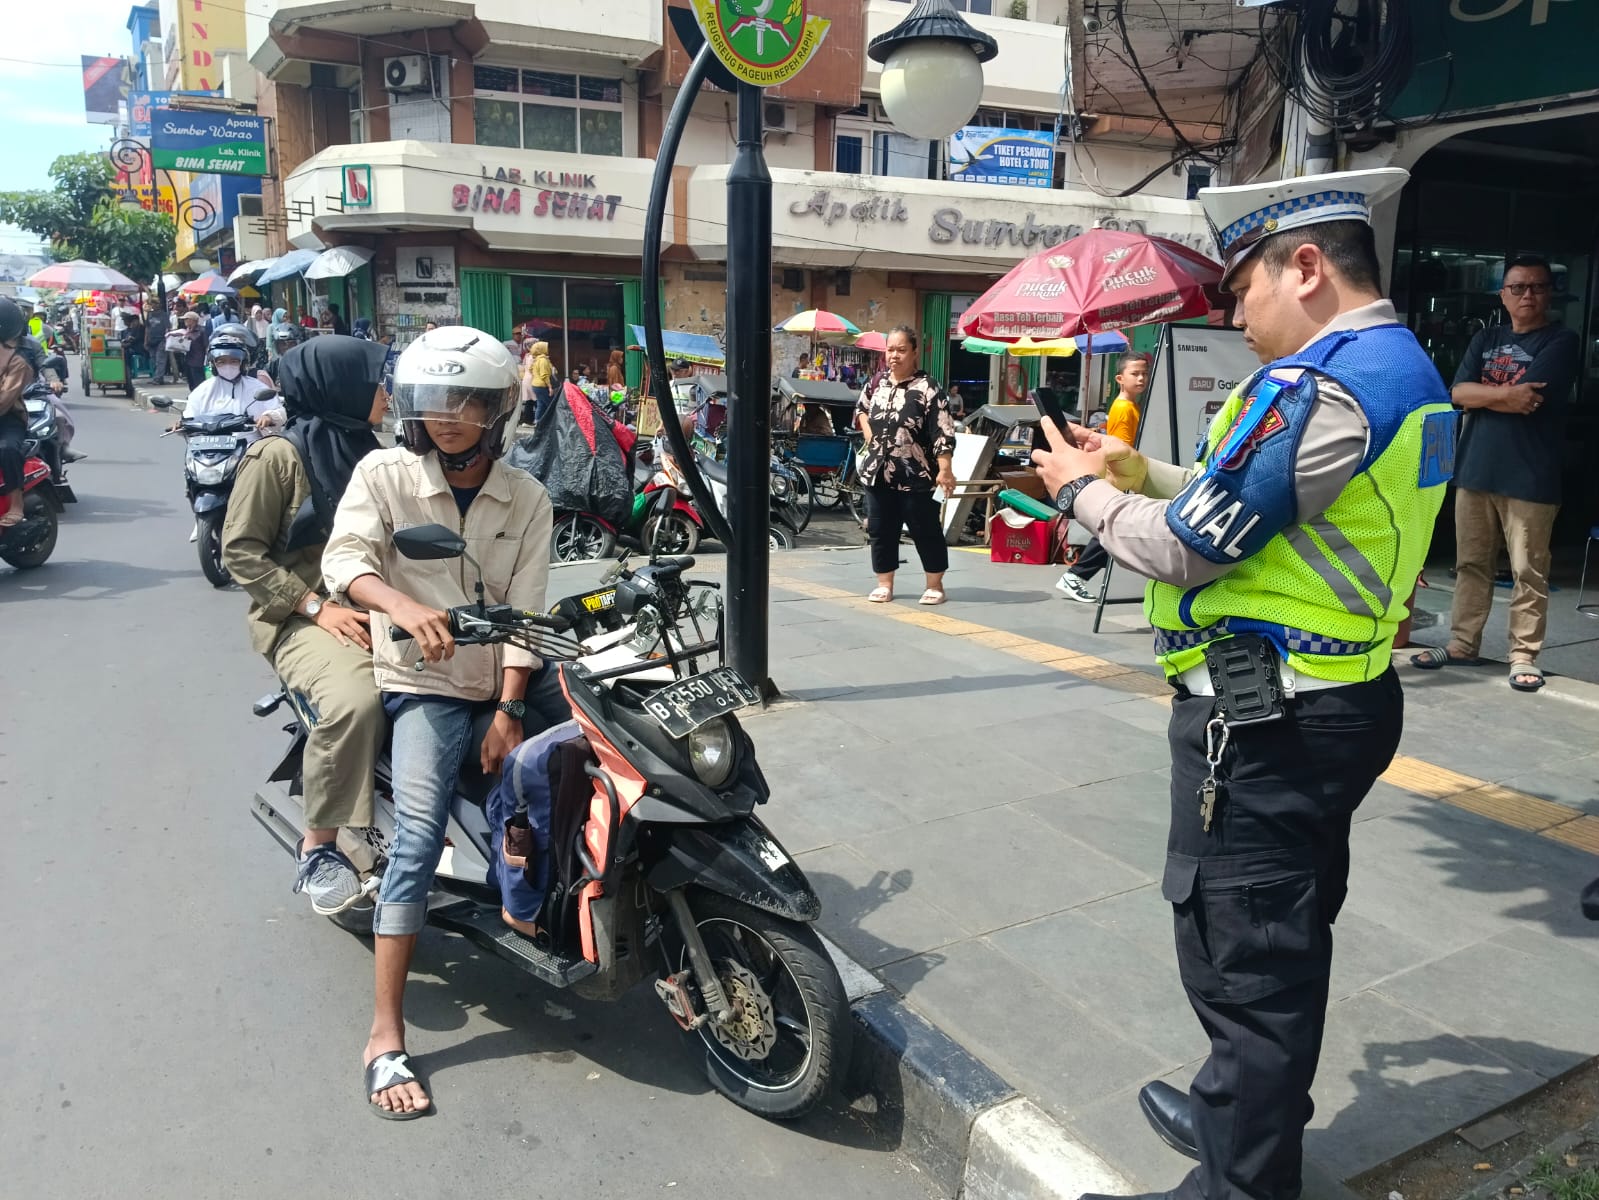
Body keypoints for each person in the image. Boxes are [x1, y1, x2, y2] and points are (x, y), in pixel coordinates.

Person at [1032, 169, 1454, 1200]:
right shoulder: (1400, 370)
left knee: (1247, 964)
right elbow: (1259, 505)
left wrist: (1082, 495)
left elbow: (1189, 552)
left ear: (1305, 267)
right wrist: (1143, 474)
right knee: (1280, 936)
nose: (1236, 314)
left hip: (1269, 724)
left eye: (1242, 289)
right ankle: (1240, 1107)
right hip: (1330, 703)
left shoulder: (1322, 385)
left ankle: (1243, 1178)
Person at [321, 326, 555, 1120]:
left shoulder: (526, 496)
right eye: (433, 401)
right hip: (422, 680)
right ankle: (384, 1035)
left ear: (498, 412)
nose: (448, 416)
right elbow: (344, 559)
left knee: (597, 758)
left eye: (467, 402)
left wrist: (513, 706)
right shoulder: (384, 474)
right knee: (418, 835)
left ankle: (535, 897)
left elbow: (526, 605)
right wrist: (400, 602)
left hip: (503, 673)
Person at [221, 335, 390, 914]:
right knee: (357, 701)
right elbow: (240, 552)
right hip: (301, 616)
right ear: (339, 385)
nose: (386, 394)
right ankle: (318, 848)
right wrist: (317, 607)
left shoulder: (371, 448)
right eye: (376, 382)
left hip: (375, 602)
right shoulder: (279, 456)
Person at [1410, 254, 1578, 692]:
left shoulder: (1560, 341)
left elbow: (1528, 399)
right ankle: (1463, 644)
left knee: (1528, 570)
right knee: (1471, 565)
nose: (1527, 295)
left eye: (1537, 287)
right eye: (1518, 287)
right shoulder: (1486, 338)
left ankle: (1523, 656)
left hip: (1531, 476)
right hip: (1474, 469)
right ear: (1502, 295)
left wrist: (1481, 395)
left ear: (1549, 293)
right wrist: (1499, 394)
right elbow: (1457, 392)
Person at [855, 325, 956, 606]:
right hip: (877, 471)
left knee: (925, 529)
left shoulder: (928, 388)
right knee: (880, 529)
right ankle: (885, 584)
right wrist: (868, 433)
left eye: (901, 350)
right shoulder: (876, 383)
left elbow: (943, 431)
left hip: (917, 473)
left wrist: (945, 469)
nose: (894, 356)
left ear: (914, 352)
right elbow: (861, 409)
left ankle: (935, 584)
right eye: (890, 350)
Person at [1056, 352, 1152, 603]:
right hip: (1122, 478)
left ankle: (1076, 575)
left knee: (1113, 532)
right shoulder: (1123, 408)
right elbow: (1122, 448)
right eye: (1135, 374)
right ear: (1120, 378)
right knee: (1112, 533)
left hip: (1123, 477)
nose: (1141, 378)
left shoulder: (1129, 406)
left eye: (1144, 373)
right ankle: (1075, 575)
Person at [0, 298, 39, 528]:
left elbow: (4, 401)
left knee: (6, 449)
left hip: (8, 420)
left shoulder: (18, 363)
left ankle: (16, 503)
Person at [524, 339, 554, 425]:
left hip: (535, 385)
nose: (547, 349)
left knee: (540, 404)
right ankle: (551, 422)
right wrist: (550, 387)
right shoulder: (543, 360)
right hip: (542, 385)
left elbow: (530, 369)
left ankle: (538, 421)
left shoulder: (536, 359)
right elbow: (544, 375)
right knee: (550, 404)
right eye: (545, 347)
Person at [181, 311, 210, 390]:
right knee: (191, 380)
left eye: (187, 319)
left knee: (198, 380)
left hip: (198, 359)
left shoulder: (201, 331)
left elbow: (206, 345)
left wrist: (207, 359)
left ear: (193, 320)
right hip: (188, 359)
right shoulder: (186, 331)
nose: (185, 321)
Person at [145, 303, 170, 385]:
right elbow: (147, 328)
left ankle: (158, 378)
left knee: (160, 360)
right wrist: (145, 340)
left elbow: (167, 328)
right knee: (153, 360)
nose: (154, 305)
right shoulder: (149, 314)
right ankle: (158, 377)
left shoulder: (164, 315)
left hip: (161, 339)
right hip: (151, 340)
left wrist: (167, 340)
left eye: (155, 303)